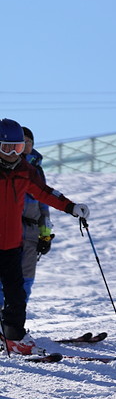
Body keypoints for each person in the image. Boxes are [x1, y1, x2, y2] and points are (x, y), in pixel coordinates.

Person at [0, 118, 90, 355]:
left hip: (11, 245)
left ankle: (14, 337)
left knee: (16, 296)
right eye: (6, 148)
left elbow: (45, 193)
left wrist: (71, 207)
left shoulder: (24, 171)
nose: (12, 153)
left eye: (17, 148)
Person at [0, 127, 54, 311]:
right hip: (6, 228)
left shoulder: (35, 170)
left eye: (28, 142)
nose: (24, 147)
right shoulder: (7, 166)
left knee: (26, 278)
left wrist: (45, 235)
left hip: (30, 231)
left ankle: (15, 322)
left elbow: (43, 206)